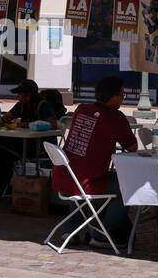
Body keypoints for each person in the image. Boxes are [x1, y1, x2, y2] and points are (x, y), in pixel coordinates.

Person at [51, 75, 137, 241]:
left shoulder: (82, 109)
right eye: (122, 95)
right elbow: (132, 147)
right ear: (113, 97)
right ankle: (102, 233)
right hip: (89, 182)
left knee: (79, 172)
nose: (123, 98)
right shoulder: (116, 118)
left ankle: (71, 230)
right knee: (128, 185)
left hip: (64, 176)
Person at [0, 79, 53, 198]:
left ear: (28, 95)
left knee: (2, 151)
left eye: (20, 94)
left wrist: (25, 124)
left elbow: (52, 124)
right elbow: (7, 118)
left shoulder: (43, 105)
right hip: (24, 141)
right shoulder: (21, 105)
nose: (17, 97)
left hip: (39, 145)